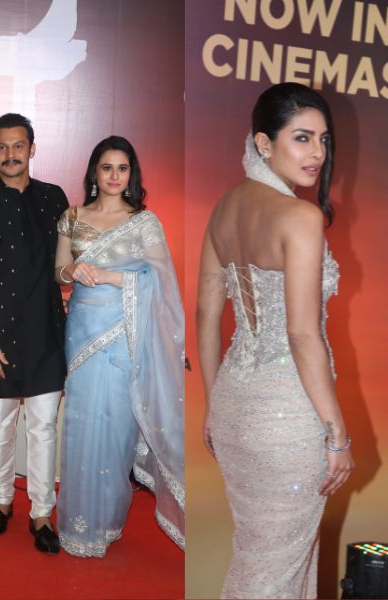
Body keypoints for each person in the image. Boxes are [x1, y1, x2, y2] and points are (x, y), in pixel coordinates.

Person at [197, 82, 354, 599]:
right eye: (302, 138)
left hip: (233, 408)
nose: (317, 153)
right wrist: (337, 434)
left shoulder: (223, 209)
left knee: (260, 561)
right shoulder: (301, 217)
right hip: (289, 419)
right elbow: (303, 334)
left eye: (323, 140)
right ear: (263, 143)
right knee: (273, 573)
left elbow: (206, 316)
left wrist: (212, 406)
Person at [54, 136, 185, 557]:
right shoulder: (72, 217)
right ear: (94, 171)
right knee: (81, 420)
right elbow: (59, 271)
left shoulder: (144, 222)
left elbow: (161, 283)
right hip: (82, 330)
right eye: (106, 167)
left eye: (122, 168)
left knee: (115, 425)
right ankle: (79, 524)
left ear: (132, 174)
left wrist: (113, 277)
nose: (114, 176)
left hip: (123, 333)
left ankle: (106, 521)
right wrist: (73, 271)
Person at [0, 113, 67, 554]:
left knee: (43, 428)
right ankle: (1, 502)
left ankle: (42, 513)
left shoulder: (55, 199)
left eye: (18, 146)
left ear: (32, 148)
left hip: (46, 335)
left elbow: (66, 264)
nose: (10, 154)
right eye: (2, 147)